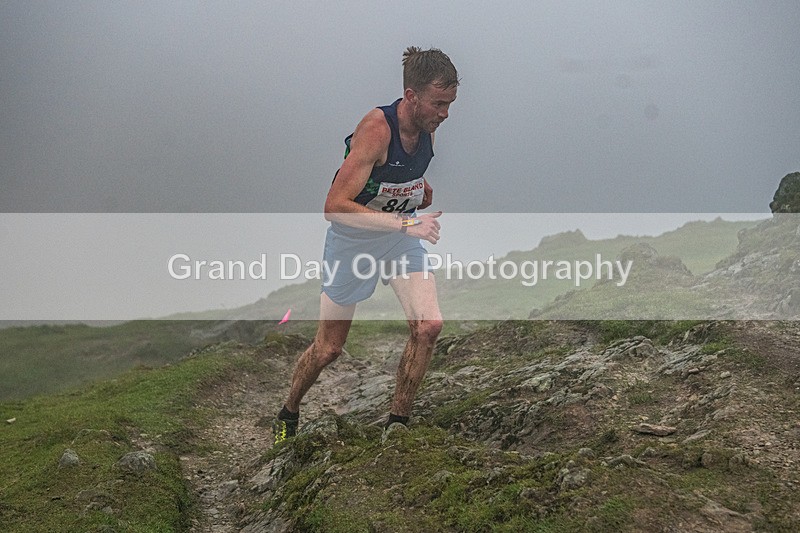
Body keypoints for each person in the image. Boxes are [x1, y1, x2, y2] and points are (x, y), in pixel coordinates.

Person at [273, 46, 459, 443]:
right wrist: (408, 219)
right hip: (352, 243)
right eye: (438, 104)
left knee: (429, 326)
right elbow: (334, 207)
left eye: (449, 104)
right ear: (411, 96)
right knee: (329, 348)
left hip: (395, 241)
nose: (444, 114)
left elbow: (399, 177)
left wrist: (418, 192)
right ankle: (288, 411)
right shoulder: (376, 129)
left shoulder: (426, 131)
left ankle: (397, 427)